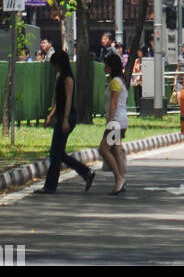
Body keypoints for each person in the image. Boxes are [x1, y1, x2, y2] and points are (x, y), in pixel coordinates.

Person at [39, 51, 95, 195]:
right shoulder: (60, 77)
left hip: (68, 117)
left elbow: (69, 100)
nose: (54, 68)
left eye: (55, 65)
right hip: (61, 116)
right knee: (58, 153)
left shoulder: (68, 79)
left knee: (55, 154)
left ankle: (50, 186)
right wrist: (50, 115)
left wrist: (64, 120)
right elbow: (59, 101)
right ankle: (86, 172)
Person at [100, 52, 129, 194]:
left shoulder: (115, 82)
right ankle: (122, 179)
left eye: (106, 65)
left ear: (111, 67)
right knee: (117, 151)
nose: (104, 67)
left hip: (116, 121)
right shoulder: (119, 81)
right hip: (121, 120)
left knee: (104, 149)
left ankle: (118, 178)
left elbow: (113, 102)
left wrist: (110, 121)